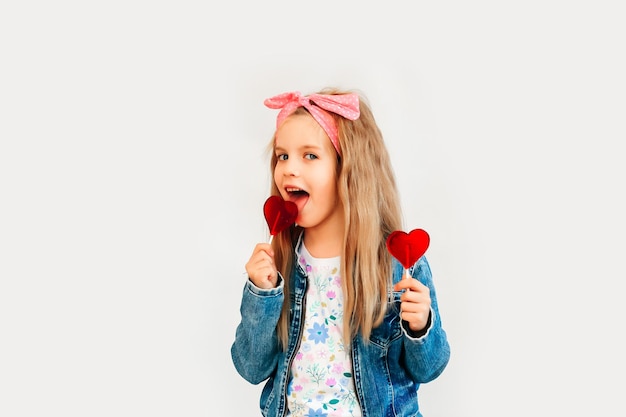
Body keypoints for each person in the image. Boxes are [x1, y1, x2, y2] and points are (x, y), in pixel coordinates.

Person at [231, 88, 450, 417]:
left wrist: (420, 327)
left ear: (349, 170)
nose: (289, 169)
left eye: (310, 155)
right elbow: (251, 367)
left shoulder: (397, 264)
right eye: (282, 155)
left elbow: (428, 369)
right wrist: (262, 295)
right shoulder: (279, 266)